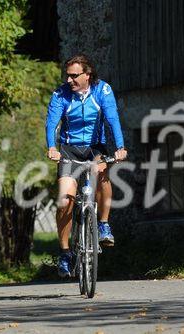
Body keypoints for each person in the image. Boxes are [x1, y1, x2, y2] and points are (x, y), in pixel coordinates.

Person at [45, 54, 127, 278]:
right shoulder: (61, 94)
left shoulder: (102, 90)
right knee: (65, 201)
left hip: (95, 148)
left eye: (74, 76)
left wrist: (120, 147)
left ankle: (103, 224)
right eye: (67, 76)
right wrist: (52, 147)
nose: (69, 80)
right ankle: (64, 253)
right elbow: (52, 122)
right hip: (70, 149)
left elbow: (112, 119)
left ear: (87, 74)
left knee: (102, 174)